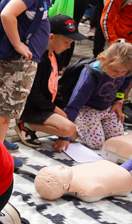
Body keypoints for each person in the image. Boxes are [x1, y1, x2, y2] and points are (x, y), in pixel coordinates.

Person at [0, 0, 77, 156]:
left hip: (16, 60)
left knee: (1, 102)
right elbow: (7, 13)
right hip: (19, 62)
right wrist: (19, 44)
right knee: (5, 111)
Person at [14, 15, 82, 149]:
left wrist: (62, 106)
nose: (68, 47)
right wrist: (56, 110)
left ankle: (37, 124)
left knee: (72, 135)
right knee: (68, 129)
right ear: (51, 37)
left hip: (45, 104)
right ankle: (24, 125)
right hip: (32, 107)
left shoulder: (56, 54)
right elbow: (34, 94)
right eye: (66, 42)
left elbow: (54, 85)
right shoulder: (37, 59)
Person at [57, 40, 132, 150]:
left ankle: (96, 125)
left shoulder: (125, 70)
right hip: (87, 108)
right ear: (103, 60)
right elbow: (75, 103)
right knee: (96, 143)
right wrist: (64, 136)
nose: (119, 75)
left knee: (117, 140)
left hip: (107, 107)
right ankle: (78, 122)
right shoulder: (91, 75)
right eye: (115, 71)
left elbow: (124, 86)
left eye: (123, 72)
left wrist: (118, 102)